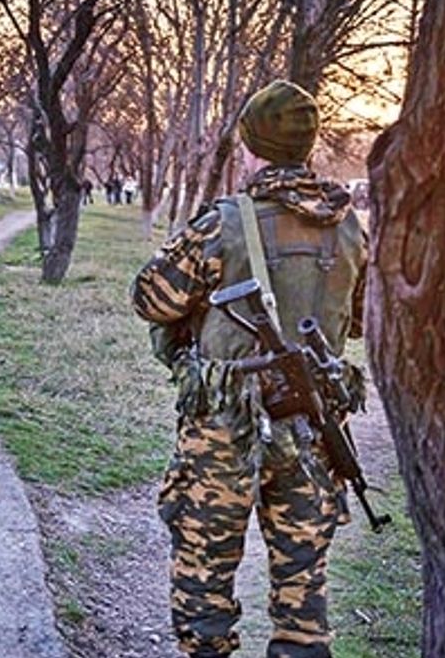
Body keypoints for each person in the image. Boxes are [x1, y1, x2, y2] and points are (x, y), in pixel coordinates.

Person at [129, 80, 367, 658]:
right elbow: (353, 322)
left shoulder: (224, 223)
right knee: (303, 582)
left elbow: (150, 300)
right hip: (312, 425)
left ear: (252, 146)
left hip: (225, 426)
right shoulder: (348, 227)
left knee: (204, 569)